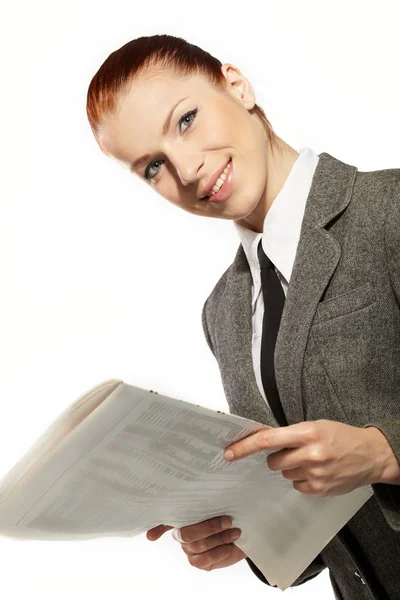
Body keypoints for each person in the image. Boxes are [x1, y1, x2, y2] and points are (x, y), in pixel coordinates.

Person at [86, 33, 400, 600]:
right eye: (153, 166)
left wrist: (385, 453)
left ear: (236, 84)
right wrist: (246, 535)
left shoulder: (390, 211)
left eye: (185, 120)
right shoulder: (225, 313)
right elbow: (325, 532)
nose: (186, 170)